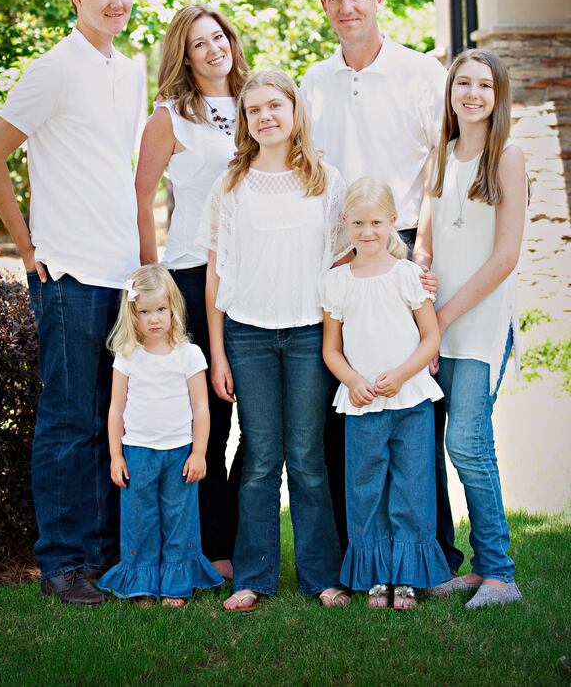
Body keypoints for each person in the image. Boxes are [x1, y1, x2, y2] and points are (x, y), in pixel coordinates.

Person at [0, 0, 144, 605]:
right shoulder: (52, 69)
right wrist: (26, 246)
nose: (115, 2)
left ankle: (101, 557)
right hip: (67, 270)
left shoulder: (129, 72)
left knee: (109, 421)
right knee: (69, 422)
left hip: (119, 272)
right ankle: (61, 564)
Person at [300, 0, 462, 571]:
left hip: (407, 243)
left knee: (420, 406)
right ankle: (360, 554)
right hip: (343, 253)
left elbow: (440, 164)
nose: (346, 8)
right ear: (324, 6)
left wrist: (420, 245)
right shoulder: (313, 83)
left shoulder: (422, 73)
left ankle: (434, 551)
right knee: (351, 405)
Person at [198, 70, 349, 612]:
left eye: (274, 106)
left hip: (310, 333)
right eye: (254, 109)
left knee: (308, 456)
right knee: (260, 457)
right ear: (245, 121)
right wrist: (217, 351)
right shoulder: (230, 186)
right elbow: (216, 274)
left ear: (293, 112)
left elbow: (342, 263)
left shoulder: (326, 180)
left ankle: (321, 576)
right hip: (248, 334)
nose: (265, 117)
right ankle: (253, 576)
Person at [135, 3, 248, 580]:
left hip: (253, 276)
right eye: (198, 43)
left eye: (218, 37)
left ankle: (246, 541)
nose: (212, 49)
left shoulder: (258, 103)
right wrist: (151, 280)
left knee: (259, 419)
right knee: (210, 421)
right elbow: (143, 196)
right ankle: (212, 549)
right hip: (188, 274)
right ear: (184, 54)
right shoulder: (170, 116)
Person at [415, 49, 526, 609]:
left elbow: (505, 256)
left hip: (478, 324)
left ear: (497, 94)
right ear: (451, 91)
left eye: (484, 84)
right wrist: (420, 279)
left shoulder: (507, 157)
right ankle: (479, 569)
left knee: (468, 444)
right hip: (438, 322)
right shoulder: (442, 154)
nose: (473, 93)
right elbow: (426, 239)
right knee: (442, 444)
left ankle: (502, 574)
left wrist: (445, 316)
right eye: (464, 83)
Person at [321, 177, 451, 610]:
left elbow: (430, 338)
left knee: (411, 486)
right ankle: (377, 576)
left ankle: (408, 577)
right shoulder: (337, 282)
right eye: (358, 222)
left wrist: (401, 373)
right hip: (362, 404)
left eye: (377, 222)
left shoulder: (407, 275)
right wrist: (353, 381)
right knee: (365, 488)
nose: (367, 231)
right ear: (345, 222)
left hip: (410, 400)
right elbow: (331, 349)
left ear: (394, 221)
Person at [96, 264, 223, 606]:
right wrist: (116, 455)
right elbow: (115, 411)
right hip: (137, 452)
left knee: (179, 517)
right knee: (141, 519)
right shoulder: (127, 357)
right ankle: (142, 580)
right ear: (132, 314)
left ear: (173, 309)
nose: (154, 318)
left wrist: (199, 453)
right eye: (145, 311)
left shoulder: (188, 354)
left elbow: (201, 409)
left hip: (180, 452)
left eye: (161, 309)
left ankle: (175, 582)